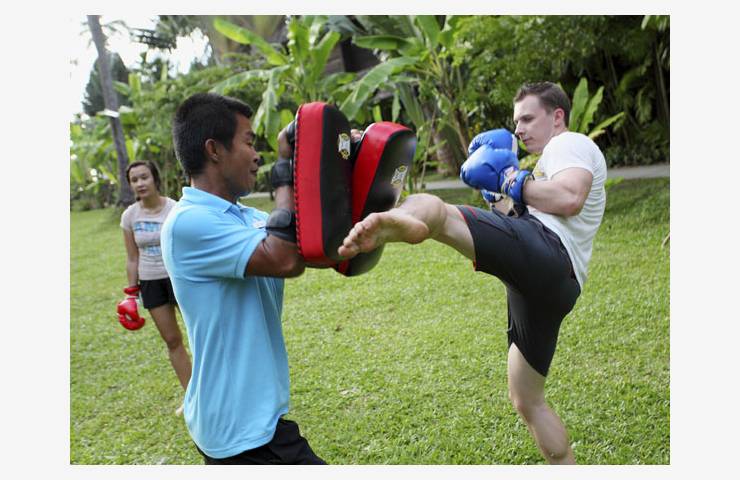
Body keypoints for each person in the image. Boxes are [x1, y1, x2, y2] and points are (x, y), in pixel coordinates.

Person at [338, 81, 607, 464]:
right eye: (516, 122)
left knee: (439, 212)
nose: (519, 130)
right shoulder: (546, 165)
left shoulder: (568, 143)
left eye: (528, 119)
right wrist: (499, 199)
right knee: (526, 398)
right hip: (555, 285)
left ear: (557, 116)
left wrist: (509, 179)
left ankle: (396, 220)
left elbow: (569, 198)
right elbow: (522, 221)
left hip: (547, 252)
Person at [161, 92, 326, 464]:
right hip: (237, 429)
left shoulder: (247, 217)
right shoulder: (188, 223)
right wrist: (285, 168)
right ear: (214, 150)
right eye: (249, 142)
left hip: (255, 421)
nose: (256, 155)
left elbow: (322, 250)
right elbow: (284, 259)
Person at [120, 160, 192, 411]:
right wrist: (131, 294)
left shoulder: (174, 208)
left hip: (178, 277)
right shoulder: (129, 216)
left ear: (155, 179)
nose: (140, 183)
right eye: (134, 180)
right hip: (150, 281)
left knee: (200, 336)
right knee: (172, 340)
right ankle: (191, 398)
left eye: (144, 177)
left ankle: (214, 392)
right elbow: (132, 258)